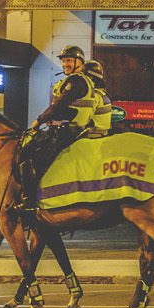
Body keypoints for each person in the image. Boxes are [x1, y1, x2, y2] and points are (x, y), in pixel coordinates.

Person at [15, 46, 95, 214]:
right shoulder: (77, 80)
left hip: (71, 130)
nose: (65, 64)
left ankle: (29, 201)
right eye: (64, 60)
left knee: (27, 153)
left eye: (68, 60)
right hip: (69, 127)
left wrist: (37, 122)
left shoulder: (76, 81)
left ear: (79, 62)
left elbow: (57, 106)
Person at [81, 59, 114, 139]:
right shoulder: (103, 93)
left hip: (92, 138)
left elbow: (82, 120)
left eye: (84, 77)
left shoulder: (94, 96)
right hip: (102, 137)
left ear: (91, 78)